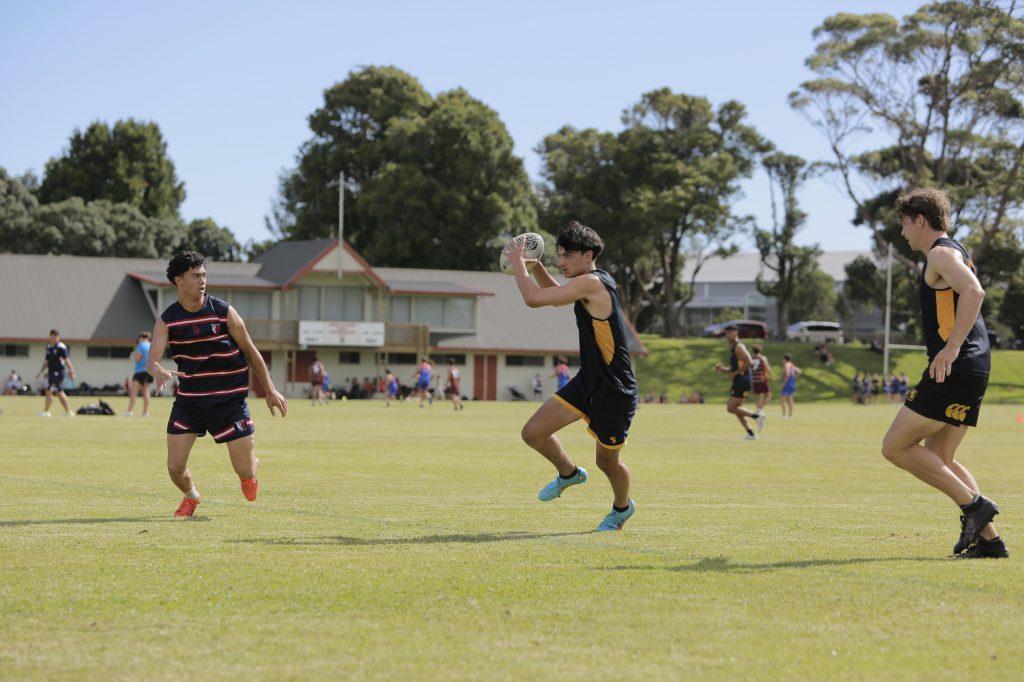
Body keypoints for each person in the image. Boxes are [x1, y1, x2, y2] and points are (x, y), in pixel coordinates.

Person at [881, 188, 1005, 559]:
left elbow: (974, 292)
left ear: (921, 220)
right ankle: (990, 542)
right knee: (941, 455)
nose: (904, 233)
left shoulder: (939, 252)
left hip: (955, 365)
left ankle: (974, 506)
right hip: (974, 366)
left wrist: (950, 349)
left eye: (905, 224)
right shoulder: (957, 250)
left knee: (895, 447)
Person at [510, 220, 638, 532]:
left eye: (568, 256)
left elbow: (534, 299)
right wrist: (536, 265)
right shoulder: (585, 283)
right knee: (532, 433)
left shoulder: (593, 283)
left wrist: (517, 264)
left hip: (614, 390)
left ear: (588, 254)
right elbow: (556, 295)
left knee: (607, 463)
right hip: (588, 381)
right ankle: (568, 473)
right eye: (560, 256)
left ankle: (622, 509)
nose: (563, 261)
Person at [147, 251, 288, 518]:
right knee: (175, 467)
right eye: (195, 276)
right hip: (190, 403)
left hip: (229, 403)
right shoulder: (168, 320)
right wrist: (158, 370)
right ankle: (191, 497)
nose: (202, 281)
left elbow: (251, 351)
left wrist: (269, 390)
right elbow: (152, 360)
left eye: (204, 275)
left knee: (245, 472)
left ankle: (252, 465)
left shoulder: (224, 312)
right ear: (178, 280)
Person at [714, 325, 762, 439]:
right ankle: (750, 433)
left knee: (731, 408)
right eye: (726, 333)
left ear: (736, 333)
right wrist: (723, 369)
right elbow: (735, 368)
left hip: (743, 380)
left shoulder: (739, 346)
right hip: (739, 380)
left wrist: (734, 374)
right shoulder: (733, 348)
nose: (727, 335)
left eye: (729, 333)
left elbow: (750, 362)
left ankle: (757, 416)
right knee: (737, 409)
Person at [36, 329, 76, 417]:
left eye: (56, 336)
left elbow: (67, 360)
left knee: (49, 390)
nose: (54, 338)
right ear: (50, 337)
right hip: (51, 373)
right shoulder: (49, 347)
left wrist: (71, 371)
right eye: (52, 336)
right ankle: (68, 412)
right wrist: (40, 372)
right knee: (59, 392)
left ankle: (46, 412)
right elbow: (46, 362)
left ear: (58, 337)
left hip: (58, 373)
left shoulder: (61, 347)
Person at [124, 332, 153, 416]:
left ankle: (129, 411)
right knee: (146, 391)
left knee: (134, 391)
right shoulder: (151, 345)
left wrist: (132, 356)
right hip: (149, 371)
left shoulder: (141, 345)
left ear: (140, 337)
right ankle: (145, 412)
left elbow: (138, 359)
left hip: (140, 371)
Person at [750, 344, 774, 420]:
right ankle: (759, 409)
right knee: (768, 395)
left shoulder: (751, 358)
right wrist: (771, 376)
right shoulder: (762, 358)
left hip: (754, 379)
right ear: (760, 350)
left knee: (758, 396)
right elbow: (767, 368)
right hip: (761, 379)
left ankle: (758, 412)